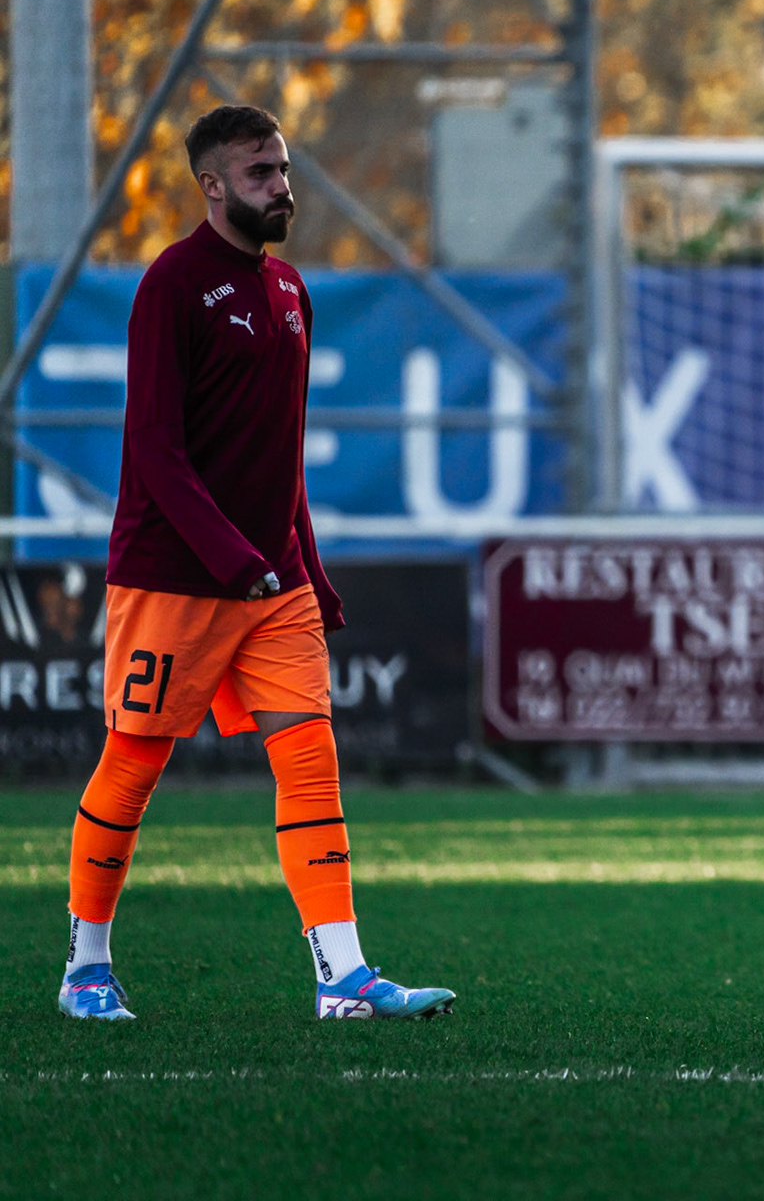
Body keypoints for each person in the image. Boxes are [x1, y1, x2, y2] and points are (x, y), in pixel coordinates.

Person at [58, 105, 453, 1022]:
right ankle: (86, 967)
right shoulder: (172, 285)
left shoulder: (289, 292)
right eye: (260, 174)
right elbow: (155, 449)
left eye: (282, 169)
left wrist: (304, 566)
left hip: (270, 585)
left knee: (312, 763)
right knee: (132, 765)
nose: (281, 186)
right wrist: (237, 561)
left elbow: (282, 454)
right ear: (211, 186)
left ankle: (343, 977)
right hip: (174, 577)